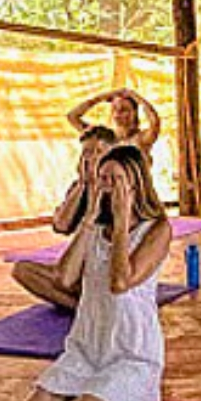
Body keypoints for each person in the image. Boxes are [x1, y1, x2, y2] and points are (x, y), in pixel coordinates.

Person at [24, 144, 174, 401]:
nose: (106, 186)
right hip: (88, 348)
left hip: (131, 353)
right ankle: (88, 396)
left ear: (134, 185)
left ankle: (129, 398)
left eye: (115, 179)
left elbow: (120, 282)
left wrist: (120, 224)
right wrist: (89, 220)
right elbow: (64, 279)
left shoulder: (157, 229)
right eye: (102, 179)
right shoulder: (95, 227)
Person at [12, 124, 117, 311]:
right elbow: (60, 225)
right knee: (21, 270)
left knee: (70, 273)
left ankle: (89, 305)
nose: (92, 158)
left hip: (106, 272)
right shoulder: (79, 187)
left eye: (98, 152)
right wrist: (83, 185)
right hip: (76, 273)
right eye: (87, 153)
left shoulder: (119, 186)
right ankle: (80, 308)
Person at [67, 85, 161, 156]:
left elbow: (154, 122)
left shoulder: (141, 139)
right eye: (115, 109)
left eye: (123, 109)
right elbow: (72, 117)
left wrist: (136, 97)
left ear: (134, 113)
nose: (118, 113)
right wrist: (100, 98)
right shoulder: (103, 135)